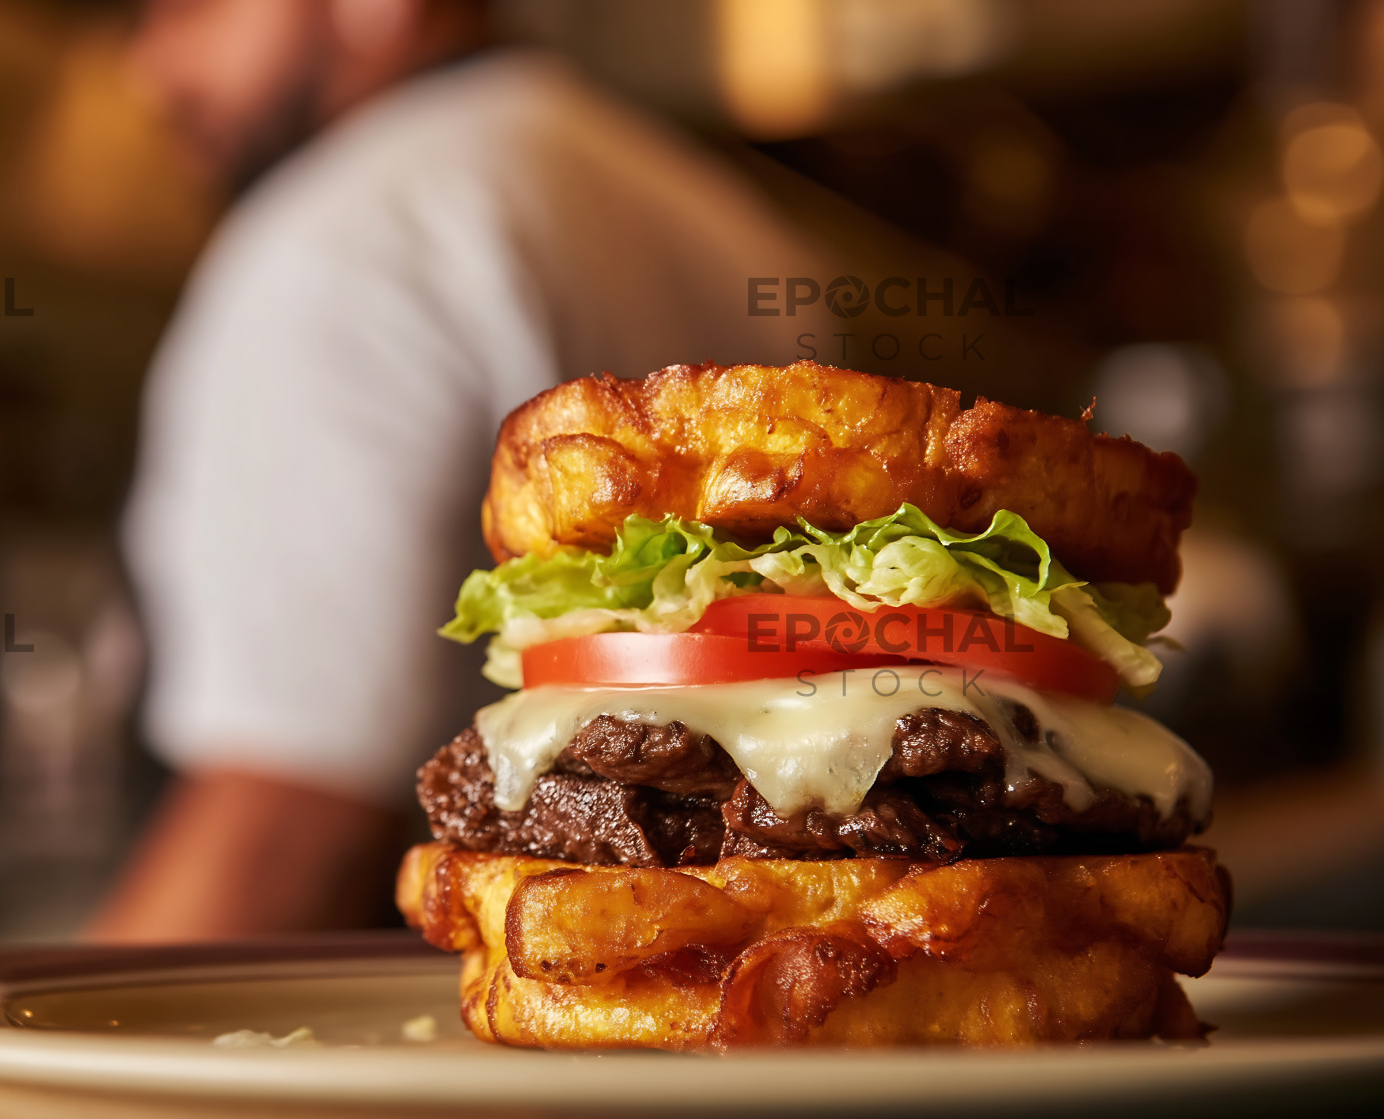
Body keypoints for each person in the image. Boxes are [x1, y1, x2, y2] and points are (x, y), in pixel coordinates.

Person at [85, 0, 842, 941]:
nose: (149, 68)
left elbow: (283, 825)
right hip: (761, 1009)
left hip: (441, 1039)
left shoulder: (349, 235)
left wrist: (7, 1067)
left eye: (189, 10)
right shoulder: (719, 217)